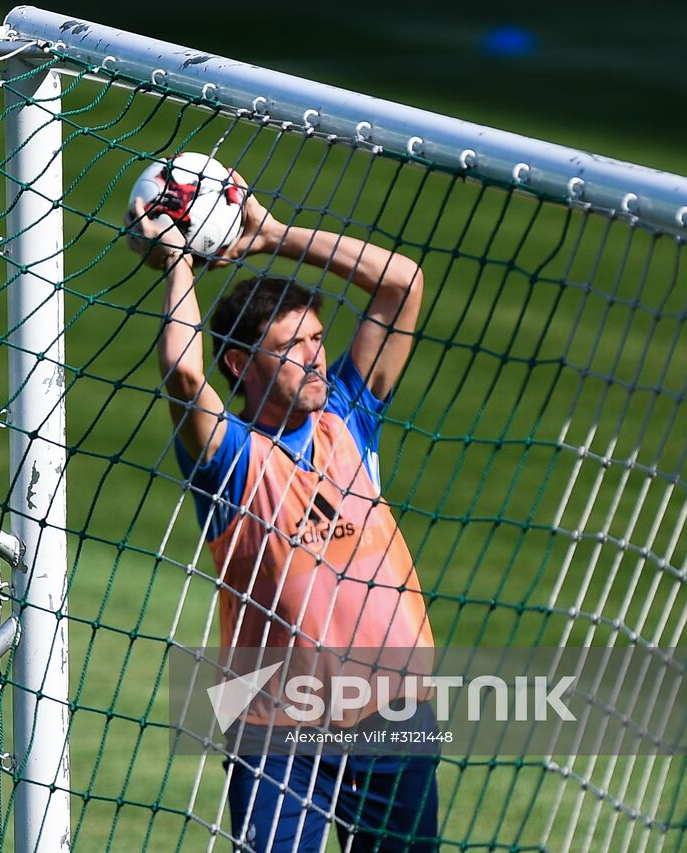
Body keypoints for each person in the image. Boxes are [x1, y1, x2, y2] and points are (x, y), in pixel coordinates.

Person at [128, 173, 438, 852]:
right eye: (291, 347)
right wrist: (180, 261)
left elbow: (402, 286)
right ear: (240, 364)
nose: (316, 356)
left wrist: (276, 236)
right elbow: (183, 373)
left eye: (318, 338)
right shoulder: (231, 460)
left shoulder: (350, 418)